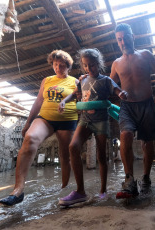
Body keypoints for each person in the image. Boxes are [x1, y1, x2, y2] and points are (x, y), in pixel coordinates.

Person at [0, 50, 78, 206]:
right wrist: (28, 122)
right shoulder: (46, 80)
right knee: (30, 138)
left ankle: (64, 188)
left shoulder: (75, 82)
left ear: (68, 67)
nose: (58, 68)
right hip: (46, 118)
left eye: (62, 66)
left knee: (65, 156)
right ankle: (18, 191)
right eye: (55, 65)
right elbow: (38, 101)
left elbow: (80, 99)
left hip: (67, 120)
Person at [58, 48, 128, 206]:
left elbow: (117, 90)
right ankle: (80, 191)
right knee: (73, 147)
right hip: (85, 119)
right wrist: (64, 101)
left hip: (101, 121)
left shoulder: (106, 80)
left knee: (101, 156)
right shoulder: (82, 80)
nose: (89, 68)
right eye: (85, 65)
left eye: (92, 65)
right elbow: (74, 93)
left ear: (99, 64)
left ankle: (103, 190)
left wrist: (121, 94)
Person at [110, 23, 155, 198]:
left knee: (147, 141)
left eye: (125, 37)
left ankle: (146, 177)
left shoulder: (145, 55)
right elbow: (108, 83)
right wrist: (87, 80)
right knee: (125, 135)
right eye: (119, 39)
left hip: (146, 104)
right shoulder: (116, 63)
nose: (123, 41)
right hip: (127, 106)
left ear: (133, 36)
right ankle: (129, 179)